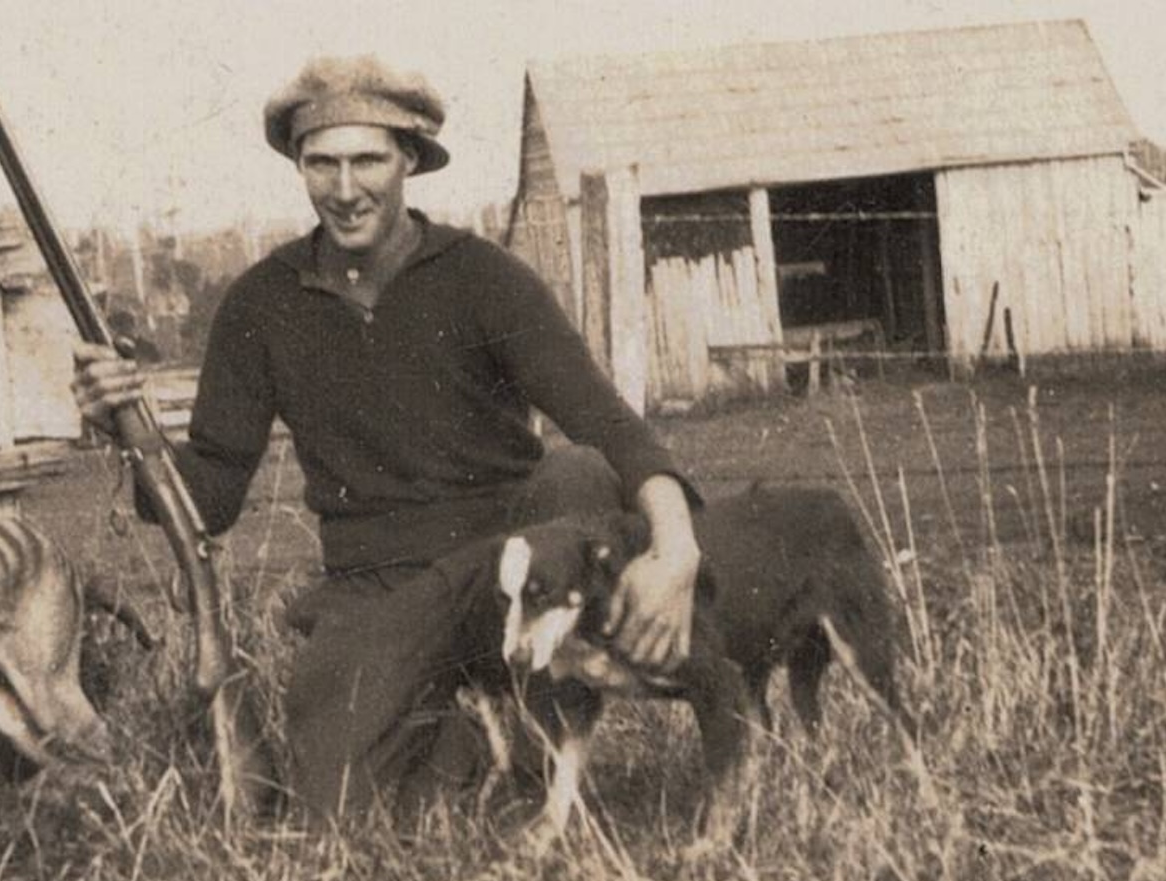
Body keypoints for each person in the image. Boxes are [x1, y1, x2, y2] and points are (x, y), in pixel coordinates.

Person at [72, 55, 702, 820]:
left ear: (411, 158)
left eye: (367, 160)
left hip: (504, 564)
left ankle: (537, 731)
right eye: (321, 163)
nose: (345, 189)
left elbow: (608, 425)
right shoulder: (260, 304)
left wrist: (677, 550)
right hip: (376, 589)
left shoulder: (485, 277)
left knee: (578, 475)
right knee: (340, 808)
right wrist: (124, 429)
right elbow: (211, 495)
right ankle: (464, 738)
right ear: (298, 166)